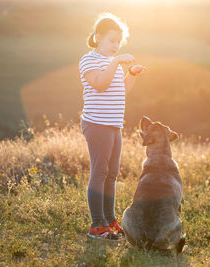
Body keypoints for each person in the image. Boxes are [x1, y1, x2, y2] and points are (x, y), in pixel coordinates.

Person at [78, 12, 147, 241]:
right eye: (111, 41)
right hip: (97, 124)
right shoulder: (89, 60)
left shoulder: (113, 64)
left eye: (118, 42)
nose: (115, 46)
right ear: (97, 37)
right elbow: (100, 84)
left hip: (114, 124)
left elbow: (120, 91)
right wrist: (116, 62)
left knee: (112, 174)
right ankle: (96, 225)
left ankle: (110, 221)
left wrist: (131, 75)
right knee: (99, 172)